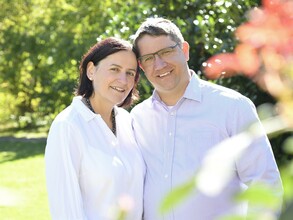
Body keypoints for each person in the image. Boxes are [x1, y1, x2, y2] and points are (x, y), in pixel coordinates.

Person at [130, 17, 283, 220]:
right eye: (149, 58)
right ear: (141, 65)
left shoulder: (233, 106)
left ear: (184, 50)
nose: (159, 64)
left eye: (166, 52)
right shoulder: (137, 119)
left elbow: (264, 182)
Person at [45, 37, 145, 220]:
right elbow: (65, 210)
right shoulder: (67, 126)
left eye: (130, 73)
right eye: (114, 69)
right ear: (91, 71)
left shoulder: (127, 121)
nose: (123, 80)